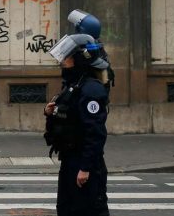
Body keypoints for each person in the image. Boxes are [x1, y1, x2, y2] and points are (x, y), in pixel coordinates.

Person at [44, 33, 110, 216]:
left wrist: (85, 168)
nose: (63, 60)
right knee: (67, 210)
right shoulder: (74, 85)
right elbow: (68, 119)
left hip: (84, 164)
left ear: (80, 59)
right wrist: (50, 113)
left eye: (67, 56)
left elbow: (95, 133)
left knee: (89, 211)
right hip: (69, 160)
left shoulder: (91, 90)